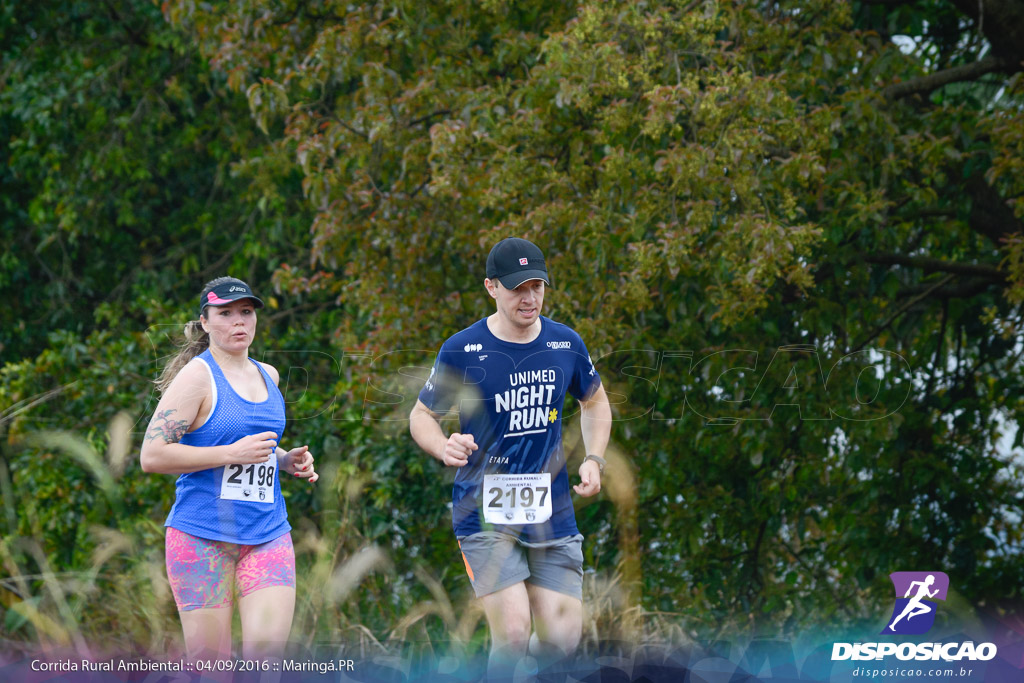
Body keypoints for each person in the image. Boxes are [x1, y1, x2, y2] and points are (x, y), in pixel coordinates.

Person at [409, 237, 612, 676]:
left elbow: (595, 402)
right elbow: (422, 415)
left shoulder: (565, 344)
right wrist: (442, 445)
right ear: (491, 287)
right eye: (518, 287)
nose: (530, 297)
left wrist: (594, 457)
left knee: (562, 641)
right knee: (515, 632)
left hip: (551, 512)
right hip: (483, 513)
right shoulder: (464, 348)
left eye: (537, 285)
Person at [140, 276, 318, 663]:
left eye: (246, 312)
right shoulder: (197, 377)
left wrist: (285, 460)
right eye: (226, 313)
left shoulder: (267, 374)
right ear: (204, 322)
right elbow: (152, 455)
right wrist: (229, 454)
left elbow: (253, 444)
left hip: (267, 533)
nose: (238, 321)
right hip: (202, 536)